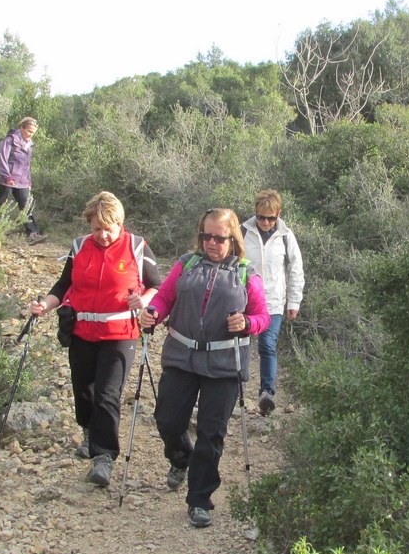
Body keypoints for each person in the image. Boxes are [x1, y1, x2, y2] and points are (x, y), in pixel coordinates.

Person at [140, 208, 270, 528]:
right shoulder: (187, 263)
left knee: (211, 434)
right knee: (168, 419)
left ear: (232, 239)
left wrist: (247, 322)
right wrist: (153, 312)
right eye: (206, 236)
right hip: (182, 356)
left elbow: (263, 316)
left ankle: (200, 499)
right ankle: (180, 459)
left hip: (225, 364)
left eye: (219, 238)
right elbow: (166, 296)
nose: (211, 243)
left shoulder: (245, 273)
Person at [30, 192, 162, 487]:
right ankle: (89, 433)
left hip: (120, 334)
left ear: (120, 223)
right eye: (95, 228)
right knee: (84, 391)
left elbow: (157, 285)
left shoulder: (136, 247)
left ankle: (103, 457)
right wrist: (45, 305)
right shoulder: (79, 247)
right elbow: (64, 285)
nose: (102, 235)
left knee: (107, 394)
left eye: (108, 228)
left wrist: (143, 300)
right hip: (82, 332)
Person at [241, 189, 305, 415]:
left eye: (271, 217)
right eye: (261, 217)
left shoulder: (286, 236)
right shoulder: (242, 232)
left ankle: (266, 394)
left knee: (267, 346)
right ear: (255, 213)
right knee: (241, 345)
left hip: (274, 302)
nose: (265, 222)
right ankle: (236, 388)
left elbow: (296, 269)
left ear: (279, 214)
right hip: (245, 301)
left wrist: (294, 302)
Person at [0, 116, 45, 245]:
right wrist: (7, 176)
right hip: (7, 179)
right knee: (0, 205)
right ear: (21, 128)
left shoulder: (29, 145)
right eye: (29, 132)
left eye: (33, 133)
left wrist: (28, 181)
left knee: (26, 206)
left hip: (22, 181)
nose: (30, 135)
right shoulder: (9, 140)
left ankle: (32, 234)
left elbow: (27, 165)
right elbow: (1, 159)